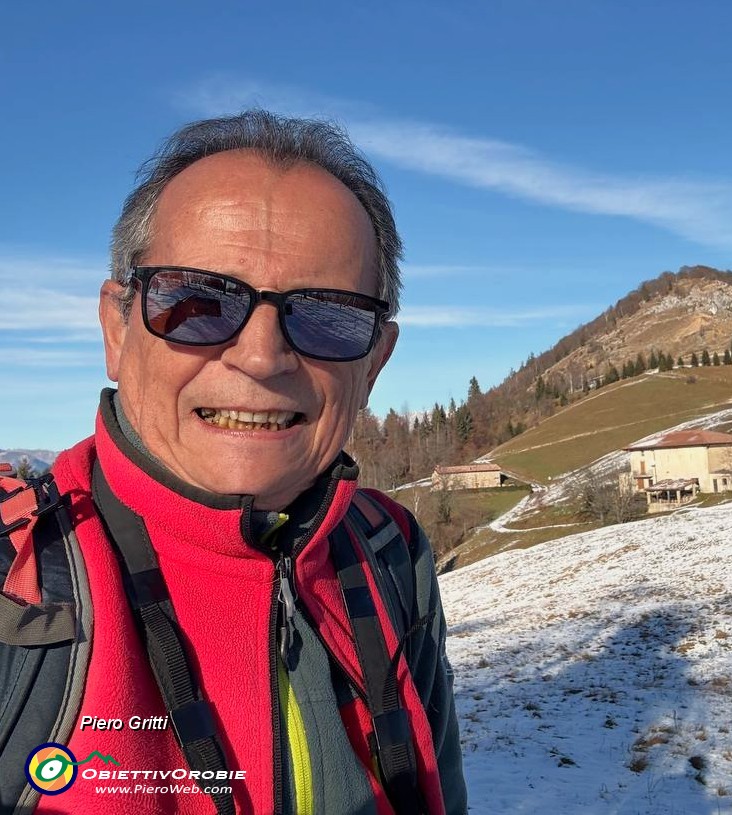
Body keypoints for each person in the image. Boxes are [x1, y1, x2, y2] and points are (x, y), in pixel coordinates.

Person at [0, 111, 467, 814]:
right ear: (117, 328)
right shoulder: (17, 579)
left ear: (375, 362)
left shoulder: (390, 551)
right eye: (196, 301)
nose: (260, 356)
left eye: (329, 315)